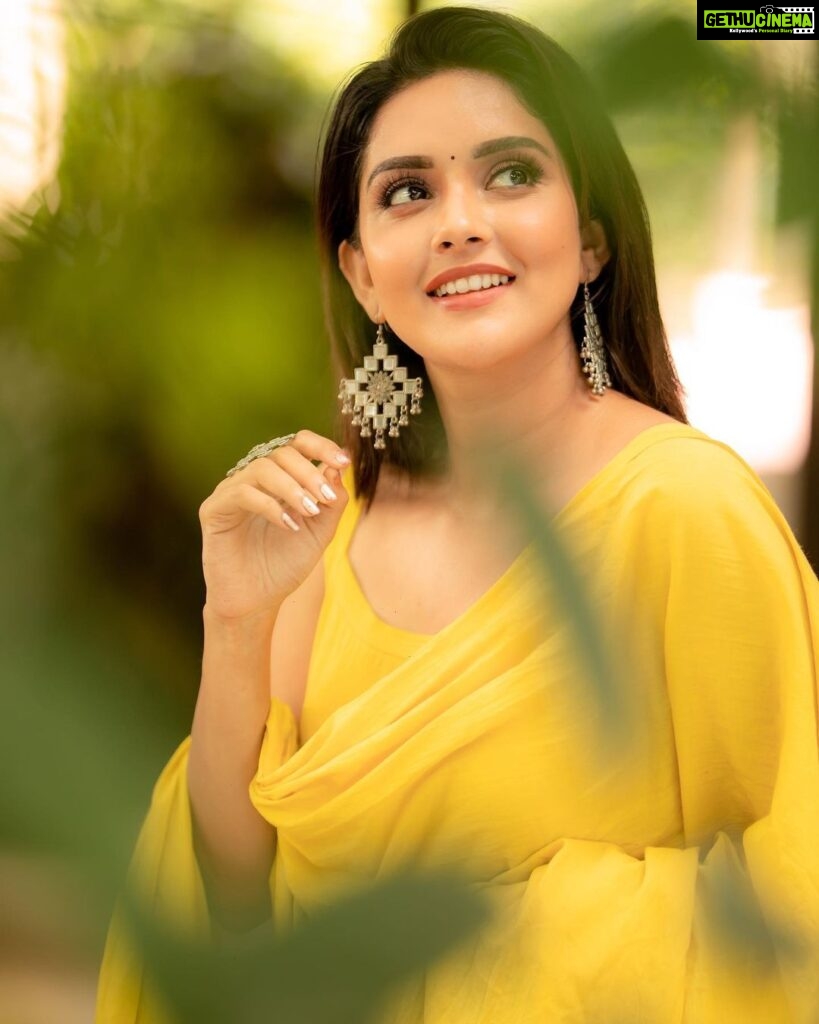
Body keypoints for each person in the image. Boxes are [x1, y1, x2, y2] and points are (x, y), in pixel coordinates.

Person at [96, 7, 819, 1022]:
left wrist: (509, 955)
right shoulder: (326, 527)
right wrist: (236, 617)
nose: (459, 221)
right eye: (408, 192)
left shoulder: (685, 509)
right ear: (362, 274)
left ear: (595, 239)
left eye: (512, 174)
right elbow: (228, 909)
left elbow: (796, 893)